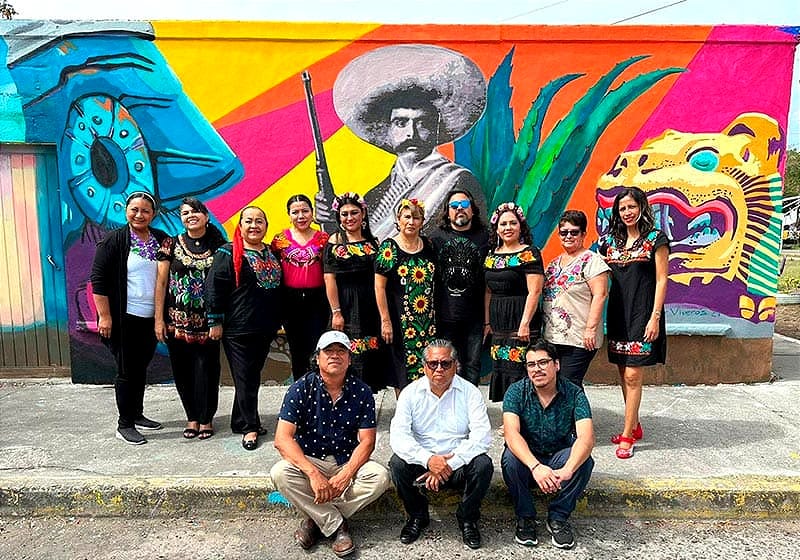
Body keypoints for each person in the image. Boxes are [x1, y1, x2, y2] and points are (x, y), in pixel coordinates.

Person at [331, 44, 488, 239]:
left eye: (421, 123)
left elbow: (477, 237)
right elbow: (358, 245)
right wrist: (331, 222)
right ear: (387, 129)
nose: (410, 133)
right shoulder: (375, 195)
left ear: (435, 127)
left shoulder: (459, 181)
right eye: (401, 122)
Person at [271, 330, 391, 558]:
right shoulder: (300, 388)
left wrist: (346, 474)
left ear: (349, 358)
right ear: (317, 358)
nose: (335, 355)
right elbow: (282, 439)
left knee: (380, 477)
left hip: (345, 460)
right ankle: (337, 526)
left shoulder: (362, 391)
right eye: (328, 351)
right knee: (280, 473)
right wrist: (313, 474)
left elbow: (367, 441)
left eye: (341, 351)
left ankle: (315, 519)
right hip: (310, 461)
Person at [389, 339, 493, 549]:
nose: (439, 369)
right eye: (433, 363)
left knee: (483, 465)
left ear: (456, 365)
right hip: (423, 464)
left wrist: (447, 465)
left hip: (457, 465)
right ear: (424, 366)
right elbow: (398, 436)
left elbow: (482, 436)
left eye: (445, 363)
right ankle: (417, 515)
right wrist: (428, 460)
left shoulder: (470, 392)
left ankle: (467, 518)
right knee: (397, 464)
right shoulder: (410, 393)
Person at [91, 191, 169, 445]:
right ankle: (124, 424)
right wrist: (105, 316)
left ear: (153, 214)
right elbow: (99, 281)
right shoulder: (113, 241)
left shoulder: (160, 239)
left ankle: (136, 414)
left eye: (145, 211)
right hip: (124, 319)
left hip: (150, 318)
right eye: (134, 209)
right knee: (126, 370)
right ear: (126, 210)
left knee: (140, 368)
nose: (139, 215)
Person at [501, 340, 595, 550]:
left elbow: (586, 438)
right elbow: (511, 433)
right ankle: (525, 517)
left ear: (557, 365)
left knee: (584, 460)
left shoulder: (574, 393)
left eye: (543, 362)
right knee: (510, 458)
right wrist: (535, 467)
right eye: (531, 365)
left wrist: (568, 469)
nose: (537, 369)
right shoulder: (516, 392)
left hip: (558, 460)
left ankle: (558, 518)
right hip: (528, 461)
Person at [599, 186, 669, 459]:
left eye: (631, 207)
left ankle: (627, 435)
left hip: (643, 314)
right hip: (618, 314)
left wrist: (655, 317)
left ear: (642, 208)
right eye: (622, 208)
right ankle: (635, 424)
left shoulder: (656, 239)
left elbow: (662, 280)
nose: (627, 212)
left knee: (632, 375)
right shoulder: (610, 243)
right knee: (621, 373)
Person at [206, 206, 282, 451]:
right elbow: (214, 288)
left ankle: (239, 419)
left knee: (250, 377)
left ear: (266, 226)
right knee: (246, 378)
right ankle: (250, 427)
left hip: (264, 327)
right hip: (238, 329)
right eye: (248, 221)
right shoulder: (227, 253)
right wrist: (215, 321)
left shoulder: (271, 252)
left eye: (259, 221)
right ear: (240, 225)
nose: (254, 226)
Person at [154, 197, 227, 440]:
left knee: (208, 370)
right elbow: (162, 283)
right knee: (183, 371)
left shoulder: (220, 246)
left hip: (209, 323)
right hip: (177, 323)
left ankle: (206, 419)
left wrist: (221, 320)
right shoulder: (170, 244)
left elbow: (225, 283)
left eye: (195, 211)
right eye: (185, 213)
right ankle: (192, 418)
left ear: (206, 216)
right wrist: (158, 319)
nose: (190, 216)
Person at [323, 191, 387, 392]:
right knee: (348, 354)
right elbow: (329, 278)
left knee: (370, 356)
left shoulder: (373, 242)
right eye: (344, 214)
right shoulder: (334, 242)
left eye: (354, 213)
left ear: (363, 214)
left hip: (370, 305)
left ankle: (365, 400)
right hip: (346, 305)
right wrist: (336, 312)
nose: (349, 218)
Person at [542, 210, 610, 389]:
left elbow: (600, 295)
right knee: (557, 385)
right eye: (564, 232)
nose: (569, 236)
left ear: (583, 234)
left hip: (579, 338)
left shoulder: (592, 261)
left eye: (574, 232)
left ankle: (581, 417)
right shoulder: (553, 263)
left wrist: (590, 329)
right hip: (553, 337)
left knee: (569, 384)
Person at [484, 202, 545, 402]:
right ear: (497, 228)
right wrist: (487, 323)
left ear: (521, 227)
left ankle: (524, 419)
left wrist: (525, 322)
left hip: (520, 322)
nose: (508, 227)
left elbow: (535, 291)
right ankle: (509, 416)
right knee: (502, 367)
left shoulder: (529, 253)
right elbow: (487, 291)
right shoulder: (491, 256)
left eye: (512, 223)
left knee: (521, 369)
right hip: (498, 325)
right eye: (503, 224)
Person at [375, 198, 437, 393]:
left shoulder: (428, 245)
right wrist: (385, 320)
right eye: (407, 217)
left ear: (422, 221)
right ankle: (404, 415)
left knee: (426, 365)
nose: (411, 222)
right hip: (400, 320)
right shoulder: (389, 248)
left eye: (416, 218)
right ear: (399, 220)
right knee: (401, 368)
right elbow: (379, 287)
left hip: (426, 321)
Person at [429, 189, 490, 386]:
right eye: (454, 207)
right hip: (445, 316)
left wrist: (488, 321)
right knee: (445, 365)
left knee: (472, 365)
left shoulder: (486, 238)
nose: (459, 210)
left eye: (464, 205)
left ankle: (468, 411)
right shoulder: (436, 238)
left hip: (474, 317)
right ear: (447, 212)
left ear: (472, 210)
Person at [271, 194, 330, 381]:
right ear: (289, 215)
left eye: (305, 211)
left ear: (312, 213)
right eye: (295, 212)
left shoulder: (323, 239)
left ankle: (318, 388)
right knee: (297, 348)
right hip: (290, 299)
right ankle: (300, 391)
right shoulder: (280, 240)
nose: (301, 216)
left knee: (317, 345)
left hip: (317, 299)